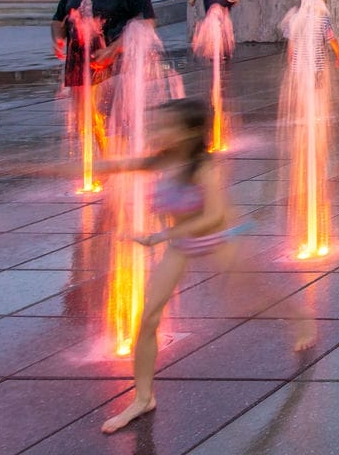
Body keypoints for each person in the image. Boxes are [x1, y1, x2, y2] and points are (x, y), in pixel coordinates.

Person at [94, 98, 240, 434]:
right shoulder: (166, 158)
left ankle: (299, 320)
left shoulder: (203, 166)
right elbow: (121, 165)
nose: (158, 130)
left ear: (189, 133)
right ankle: (143, 397)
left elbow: (215, 215)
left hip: (216, 239)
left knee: (252, 300)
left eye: (167, 126)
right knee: (148, 318)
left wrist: (161, 234)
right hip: (180, 244)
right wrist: (63, 170)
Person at [50, 0, 154, 138]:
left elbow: (146, 24)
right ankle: (100, 163)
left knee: (112, 120)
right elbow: (58, 19)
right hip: (79, 67)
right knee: (86, 122)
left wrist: (114, 48)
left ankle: (119, 161)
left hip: (117, 66)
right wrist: (58, 38)